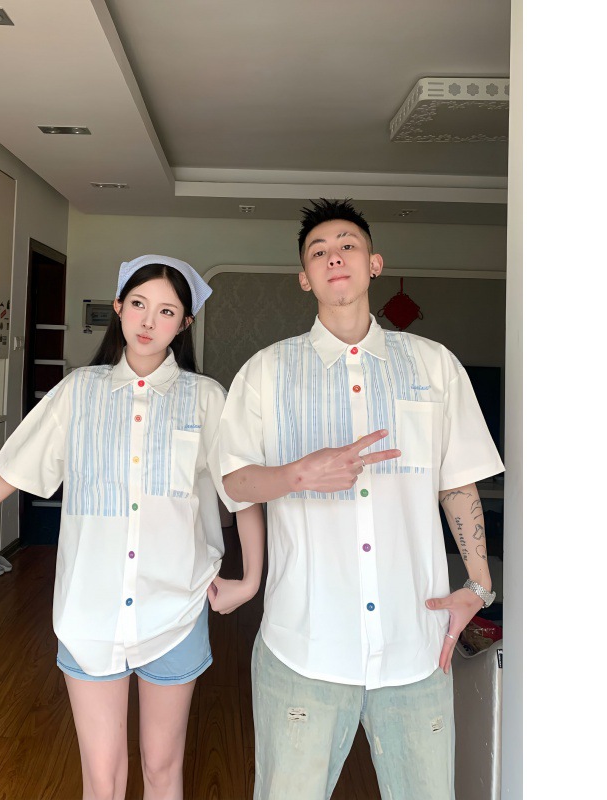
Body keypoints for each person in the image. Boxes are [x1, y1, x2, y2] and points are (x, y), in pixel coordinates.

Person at [0, 255, 265, 800]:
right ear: (118, 308)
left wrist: (250, 580)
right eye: (139, 304)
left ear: (184, 324)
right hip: (89, 612)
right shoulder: (79, 391)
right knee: (101, 779)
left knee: (162, 768)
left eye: (166, 311)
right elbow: (12, 468)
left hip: (176, 608)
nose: (148, 321)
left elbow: (241, 489)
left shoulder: (206, 398)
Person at [219, 199, 504, 800]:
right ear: (305, 278)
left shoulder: (434, 365)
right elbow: (233, 483)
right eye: (318, 252)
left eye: (346, 245)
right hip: (305, 645)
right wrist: (297, 475)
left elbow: (458, 480)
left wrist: (479, 586)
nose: (333, 257)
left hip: (416, 647)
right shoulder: (267, 372)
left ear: (374, 263)